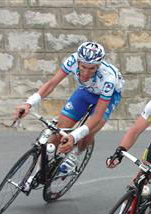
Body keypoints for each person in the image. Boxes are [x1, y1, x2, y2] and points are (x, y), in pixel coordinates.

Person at [15, 41, 123, 181]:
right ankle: (41, 170)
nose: (86, 72)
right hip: (85, 91)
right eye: (83, 66)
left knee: (89, 130)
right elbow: (51, 85)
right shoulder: (72, 60)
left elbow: (97, 116)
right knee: (58, 132)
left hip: (108, 97)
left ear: (98, 66)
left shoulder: (109, 78)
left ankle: (75, 154)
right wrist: (29, 103)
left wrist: (74, 137)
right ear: (78, 61)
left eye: (92, 69)